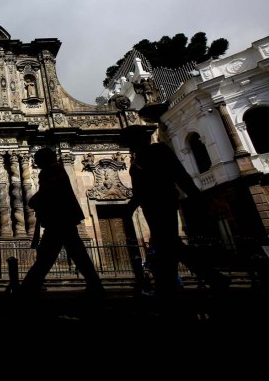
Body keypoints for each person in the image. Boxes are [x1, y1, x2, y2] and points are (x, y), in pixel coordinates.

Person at [124, 126, 229, 303]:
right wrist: (131, 206)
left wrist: (195, 195)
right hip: (150, 208)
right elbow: (141, 191)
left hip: (164, 204)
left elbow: (179, 173)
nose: (127, 144)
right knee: (167, 247)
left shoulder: (158, 151)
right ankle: (168, 287)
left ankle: (210, 278)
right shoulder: (137, 160)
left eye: (129, 140)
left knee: (170, 245)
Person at [19, 147, 104, 298]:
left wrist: (35, 199)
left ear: (45, 159)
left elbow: (50, 189)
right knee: (74, 253)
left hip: (59, 219)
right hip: (62, 219)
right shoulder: (55, 169)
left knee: (47, 255)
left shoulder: (53, 170)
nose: (36, 163)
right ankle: (95, 284)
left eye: (38, 160)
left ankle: (27, 288)